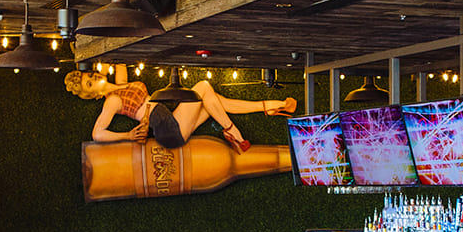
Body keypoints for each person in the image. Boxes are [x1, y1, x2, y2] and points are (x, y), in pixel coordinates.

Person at [67, 69, 295, 153]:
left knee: (213, 100)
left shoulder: (121, 81)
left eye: (89, 76)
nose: (94, 79)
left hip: (170, 121)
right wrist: (127, 135)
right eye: (90, 84)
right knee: (203, 87)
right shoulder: (111, 101)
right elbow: (97, 133)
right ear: (92, 95)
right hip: (166, 130)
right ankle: (232, 131)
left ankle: (270, 106)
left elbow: (118, 42)